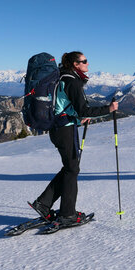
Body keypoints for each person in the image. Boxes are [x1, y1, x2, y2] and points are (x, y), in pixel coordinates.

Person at [31, 51, 118, 225]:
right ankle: (67, 214)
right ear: (75, 64)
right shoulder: (71, 81)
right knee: (72, 169)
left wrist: (78, 117)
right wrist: (108, 109)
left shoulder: (62, 77)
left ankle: (44, 203)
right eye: (84, 61)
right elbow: (83, 110)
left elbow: (64, 105)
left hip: (59, 128)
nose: (87, 64)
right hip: (65, 130)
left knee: (70, 168)